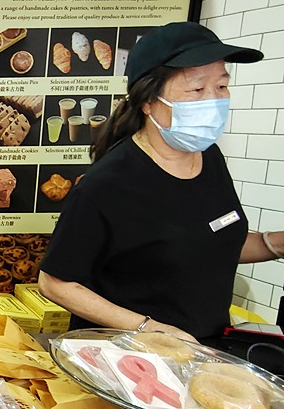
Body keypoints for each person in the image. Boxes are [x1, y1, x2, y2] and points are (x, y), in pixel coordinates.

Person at [38, 22, 284, 346]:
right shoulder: (107, 185)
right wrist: (150, 329)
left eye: (222, 87)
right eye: (197, 90)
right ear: (148, 100)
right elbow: (54, 282)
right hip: (129, 361)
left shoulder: (209, 159)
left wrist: (274, 244)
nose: (214, 100)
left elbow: (212, 242)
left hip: (203, 353)